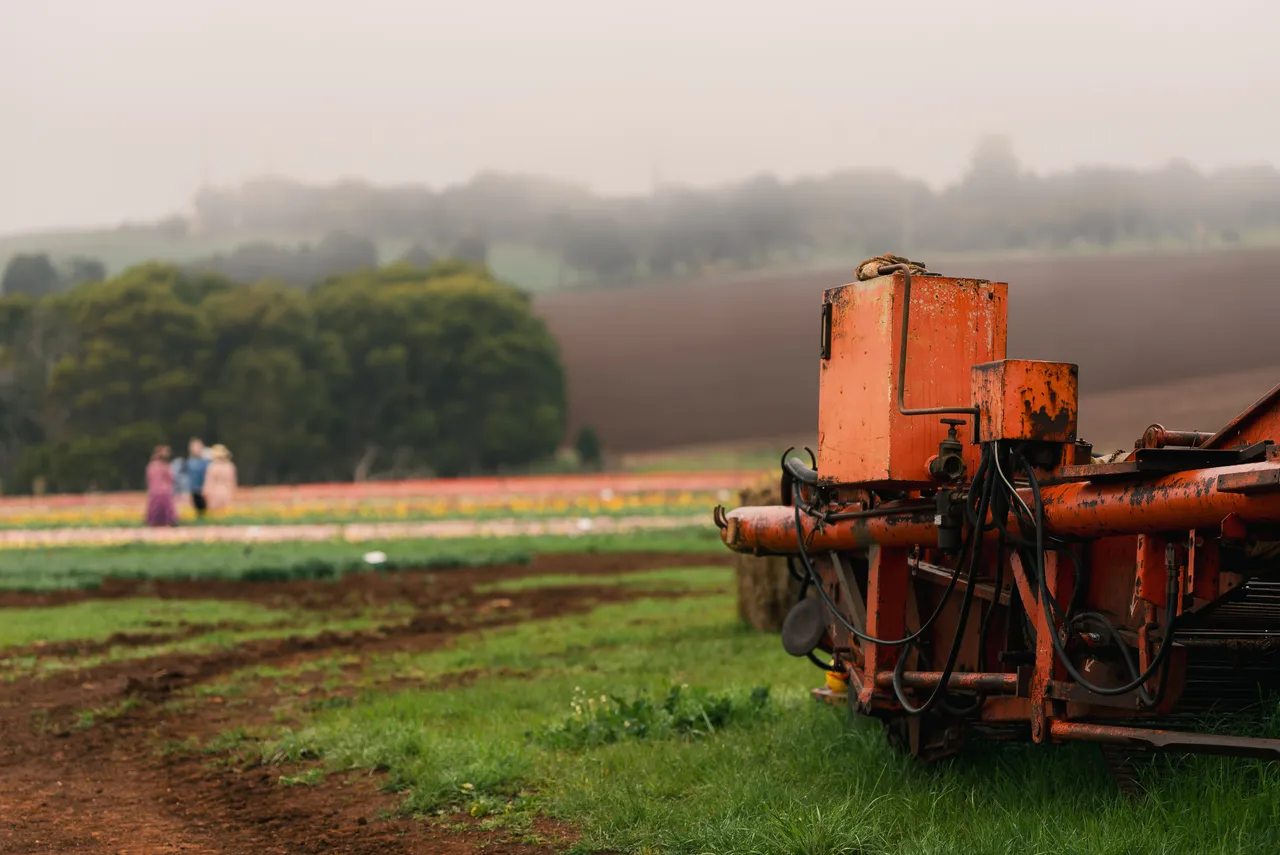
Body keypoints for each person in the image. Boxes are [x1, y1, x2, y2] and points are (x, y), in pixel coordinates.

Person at [145, 445, 178, 527]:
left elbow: (149, 479)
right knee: (168, 515)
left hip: (154, 492)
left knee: (154, 513)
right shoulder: (165, 466)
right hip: (165, 492)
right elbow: (171, 478)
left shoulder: (151, 466)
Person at [205, 444, 238, 512]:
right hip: (227, 493)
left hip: (214, 493)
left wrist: (206, 493)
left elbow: (209, 482)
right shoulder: (230, 466)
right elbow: (233, 482)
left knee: (215, 516)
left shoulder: (212, 467)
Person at [187, 437, 211, 518]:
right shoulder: (190, 462)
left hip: (206, 490)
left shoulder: (206, 461)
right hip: (194, 490)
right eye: (193, 447)